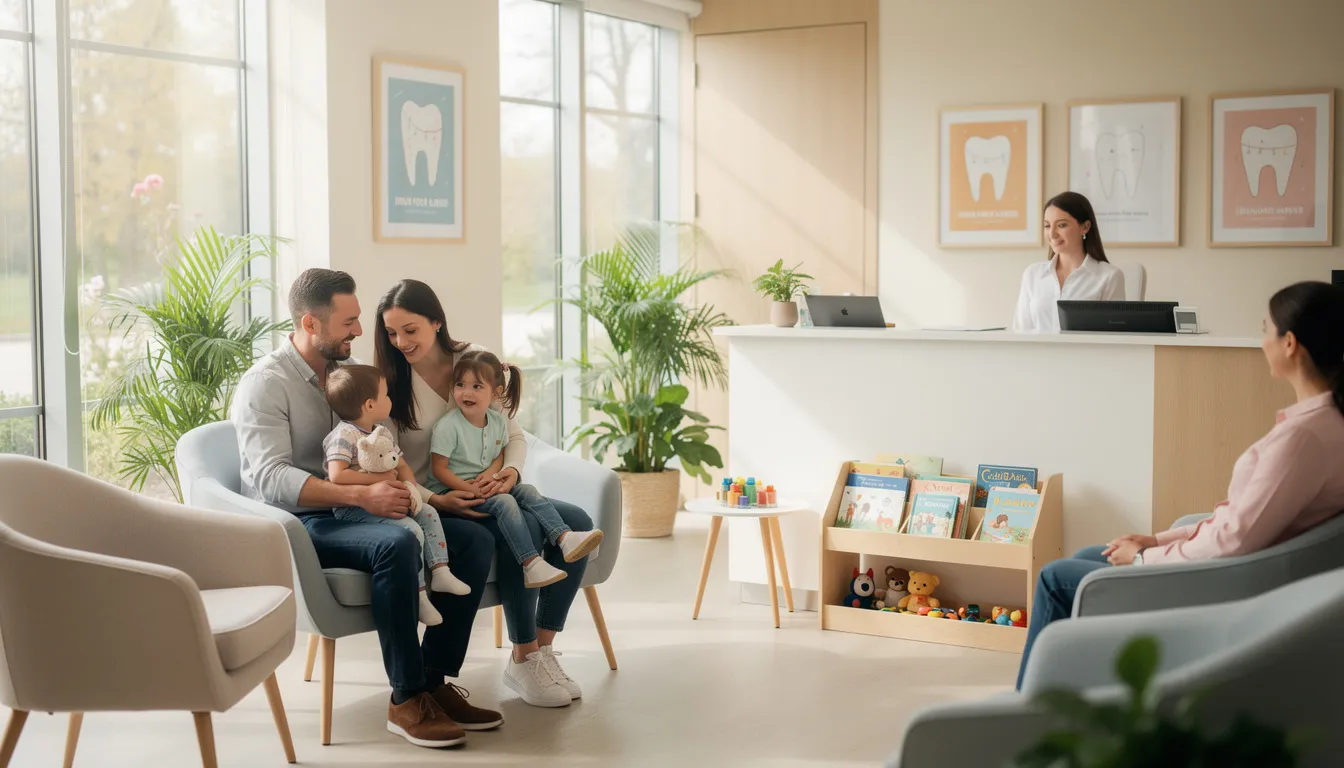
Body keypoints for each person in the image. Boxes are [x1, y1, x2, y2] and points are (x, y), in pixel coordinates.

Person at [1015, 281, 1344, 690]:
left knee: (1054, 577)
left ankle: (1028, 704)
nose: (1262, 342)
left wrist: (1142, 561)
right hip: (1238, 567)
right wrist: (1156, 540)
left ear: (1290, 343)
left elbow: (1235, 537)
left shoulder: (1303, 439)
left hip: (1222, 583)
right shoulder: (1323, 423)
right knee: (1088, 553)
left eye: (1265, 329)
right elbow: (1240, 518)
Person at [232, 269, 504, 749]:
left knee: (475, 539)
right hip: (301, 522)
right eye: (350, 321)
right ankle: (405, 699)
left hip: (358, 506)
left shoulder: (352, 372)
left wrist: (405, 490)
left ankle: (434, 683)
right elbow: (270, 480)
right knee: (396, 544)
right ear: (310, 324)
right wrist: (359, 495)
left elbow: (381, 443)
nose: (361, 331)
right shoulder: (265, 385)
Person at [376, 278, 596, 709]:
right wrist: (437, 499)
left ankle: (539, 653)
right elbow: (388, 460)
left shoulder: (472, 361)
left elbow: (514, 435)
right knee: (526, 528)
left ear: (436, 322)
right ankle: (524, 651)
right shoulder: (391, 383)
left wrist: (510, 472)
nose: (400, 341)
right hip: (439, 498)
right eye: (391, 333)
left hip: (494, 485)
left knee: (580, 522)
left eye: (410, 330)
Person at [429, 350, 605, 591]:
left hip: (487, 486)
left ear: (496, 393)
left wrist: (494, 473)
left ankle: (564, 538)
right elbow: (438, 469)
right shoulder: (449, 426)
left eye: (477, 386)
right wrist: (469, 488)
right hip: (456, 492)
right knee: (506, 503)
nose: (466, 392)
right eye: (460, 385)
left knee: (529, 490)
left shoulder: (498, 421)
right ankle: (531, 563)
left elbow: (499, 453)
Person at [322, 364, 472, 628]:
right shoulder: (343, 435)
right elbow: (337, 475)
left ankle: (440, 570)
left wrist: (411, 487)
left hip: (391, 498)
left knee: (428, 512)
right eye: (386, 394)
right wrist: (377, 480)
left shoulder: (382, 431)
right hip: (354, 509)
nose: (390, 399)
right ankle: (419, 594)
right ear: (369, 404)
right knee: (411, 530)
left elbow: (400, 464)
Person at [1011, 191, 1126, 333]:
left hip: (1085, 355)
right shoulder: (1033, 274)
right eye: (1047, 226)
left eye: (1061, 225)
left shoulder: (1109, 276)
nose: (1052, 233)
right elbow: (1020, 331)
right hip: (1037, 355)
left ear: (1085, 227)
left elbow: (1114, 337)